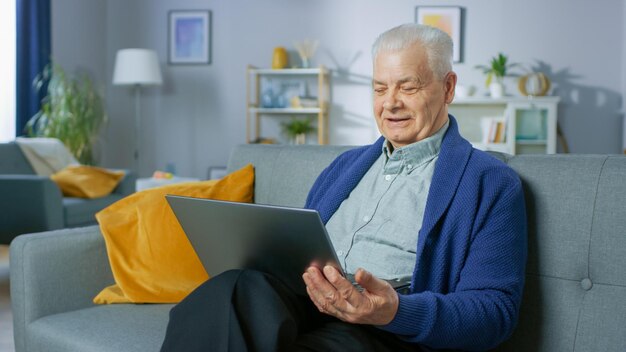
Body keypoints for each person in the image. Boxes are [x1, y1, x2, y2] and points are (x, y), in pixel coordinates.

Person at [161, 23, 527, 352]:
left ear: (447, 88)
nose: (390, 103)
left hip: (385, 329)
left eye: (408, 86)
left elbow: (494, 312)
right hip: (306, 301)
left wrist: (394, 311)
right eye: (380, 88)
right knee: (233, 288)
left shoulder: (489, 182)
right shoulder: (344, 167)